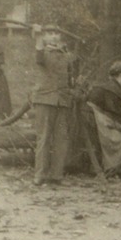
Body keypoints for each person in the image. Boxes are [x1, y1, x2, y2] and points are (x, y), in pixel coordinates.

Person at [31, 25, 78, 186]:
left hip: (62, 100)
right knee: (43, 138)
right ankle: (40, 175)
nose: (53, 36)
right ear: (44, 37)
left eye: (56, 33)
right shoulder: (42, 52)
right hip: (45, 99)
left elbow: (71, 76)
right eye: (49, 33)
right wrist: (37, 35)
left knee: (61, 139)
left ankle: (57, 175)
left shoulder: (66, 55)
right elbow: (38, 55)